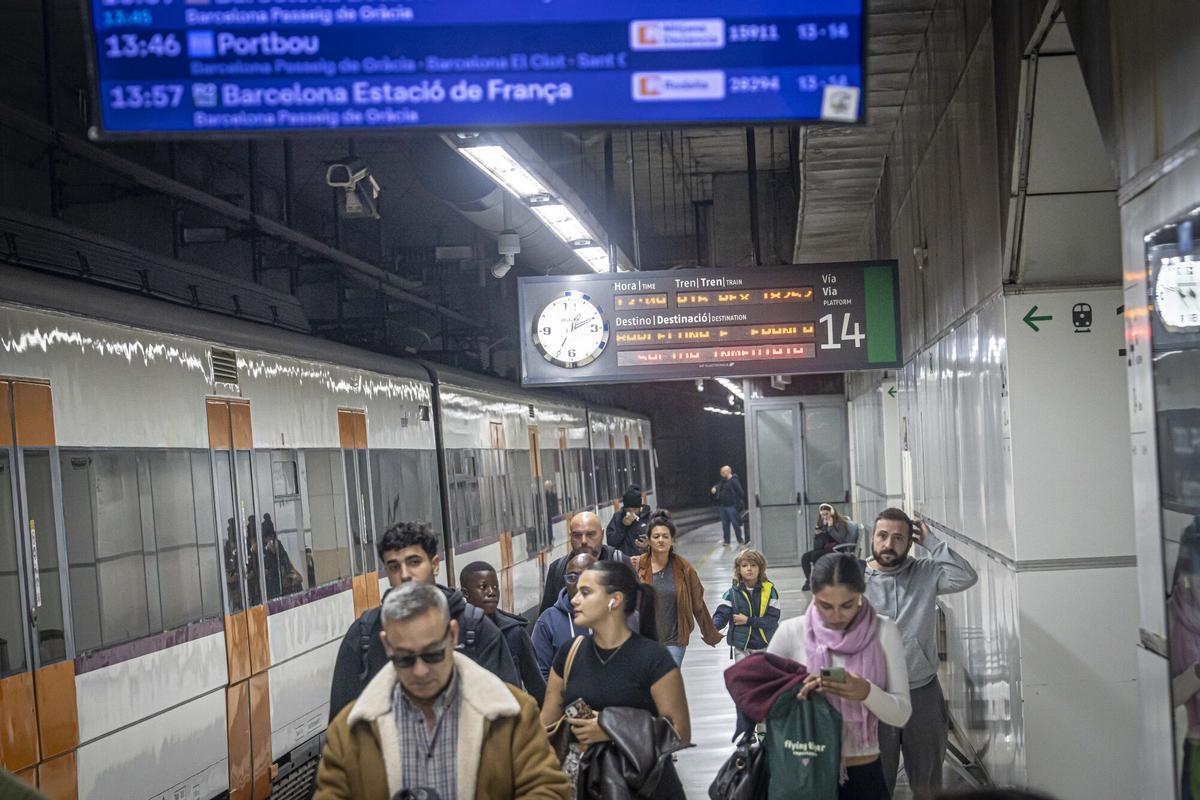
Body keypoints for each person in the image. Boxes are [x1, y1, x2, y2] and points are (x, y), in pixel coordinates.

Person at [315, 581, 570, 800]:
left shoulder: (510, 713)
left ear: (452, 635)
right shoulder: (352, 729)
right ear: (387, 645)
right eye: (404, 659)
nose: (420, 671)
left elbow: (548, 788)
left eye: (433, 654)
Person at [327, 522, 518, 721]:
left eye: (414, 562)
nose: (405, 575)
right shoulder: (364, 635)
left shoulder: (476, 629)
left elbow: (510, 718)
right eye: (394, 567)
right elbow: (341, 726)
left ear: (434, 565)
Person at [540, 561, 691, 799]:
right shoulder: (569, 654)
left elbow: (680, 732)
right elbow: (545, 727)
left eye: (586, 592)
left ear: (615, 600)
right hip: (588, 785)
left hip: (647, 788)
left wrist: (611, 728)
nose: (574, 600)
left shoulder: (654, 658)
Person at [769, 553, 912, 799]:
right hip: (803, 771)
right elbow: (761, 705)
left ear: (860, 595)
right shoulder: (791, 632)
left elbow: (901, 714)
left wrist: (865, 691)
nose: (836, 616)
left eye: (847, 605)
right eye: (825, 605)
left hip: (863, 773)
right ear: (813, 595)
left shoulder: (884, 631)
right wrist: (797, 691)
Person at [864, 508, 978, 799]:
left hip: (922, 693)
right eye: (882, 536)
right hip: (874, 695)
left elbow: (965, 577)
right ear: (872, 538)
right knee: (874, 783)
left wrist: (933, 544)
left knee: (927, 783)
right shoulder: (854, 580)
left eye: (898, 538)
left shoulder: (925, 572)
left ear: (910, 542)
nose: (888, 544)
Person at [634, 512, 723, 666]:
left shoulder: (684, 568)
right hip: (645, 641)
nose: (661, 540)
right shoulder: (637, 566)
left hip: (675, 641)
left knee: (667, 682)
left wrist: (709, 632)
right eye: (656, 536)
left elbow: (698, 603)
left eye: (665, 536)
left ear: (672, 540)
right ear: (648, 540)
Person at [460, 560, 547, 706]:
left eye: (495, 587)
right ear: (465, 593)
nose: (491, 593)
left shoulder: (514, 632)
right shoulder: (456, 635)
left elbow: (536, 686)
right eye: (483, 587)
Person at [538, 511, 629, 615]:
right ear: (570, 537)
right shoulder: (558, 569)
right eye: (577, 535)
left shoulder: (620, 563)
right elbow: (547, 617)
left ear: (602, 534)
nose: (584, 541)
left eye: (590, 534)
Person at [531, 550, 596, 680]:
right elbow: (539, 675)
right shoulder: (547, 622)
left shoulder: (613, 616)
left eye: (586, 577)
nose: (579, 584)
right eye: (572, 578)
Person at [712, 548, 781, 661]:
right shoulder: (731, 594)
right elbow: (721, 615)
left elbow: (772, 620)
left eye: (753, 565)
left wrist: (748, 620)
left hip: (764, 645)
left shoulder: (770, 592)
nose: (749, 569)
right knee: (744, 677)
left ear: (760, 568)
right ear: (738, 570)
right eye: (744, 565)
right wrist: (713, 628)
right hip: (741, 647)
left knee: (762, 678)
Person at [802, 504, 862, 591]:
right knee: (805, 557)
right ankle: (808, 581)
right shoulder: (822, 524)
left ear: (832, 513)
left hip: (838, 549)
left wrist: (830, 528)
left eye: (826, 514)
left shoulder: (841, 523)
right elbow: (817, 547)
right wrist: (817, 536)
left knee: (816, 555)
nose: (824, 517)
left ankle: (820, 581)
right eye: (822, 515)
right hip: (827, 549)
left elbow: (841, 539)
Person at [261, 513, 304, 599]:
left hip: (280, 586)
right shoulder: (265, 550)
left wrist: (274, 552)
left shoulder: (276, 546)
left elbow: (284, 560)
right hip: (277, 585)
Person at [606, 485, 650, 558]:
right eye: (629, 510)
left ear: (640, 507)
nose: (632, 512)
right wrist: (623, 526)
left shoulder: (648, 517)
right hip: (624, 562)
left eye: (635, 509)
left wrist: (648, 545)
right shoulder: (618, 518)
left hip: (644, 560)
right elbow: (611, 543)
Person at [711, 465, 747, 546]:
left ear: (728, 471)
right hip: (723, 506)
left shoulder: (734, 480)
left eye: (723, 472)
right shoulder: (723, 480)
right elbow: (719, 485)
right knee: (725, 524)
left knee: (735, 524)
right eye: (721, 473)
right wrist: (715, 488)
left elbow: (741, 493)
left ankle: (740, 540)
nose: (722, 474)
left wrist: (736, 502)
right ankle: (726, 541)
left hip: (731, 506)